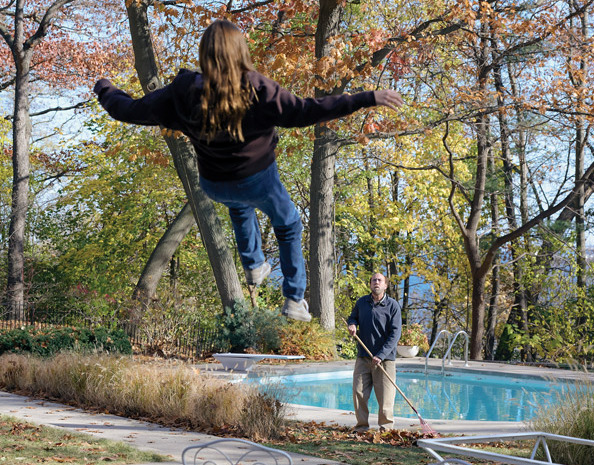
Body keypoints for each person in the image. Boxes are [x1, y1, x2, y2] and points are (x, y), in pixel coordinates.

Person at [93, 19, 403, 321]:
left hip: (214, 183)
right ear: (241, 51)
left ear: (205, 54)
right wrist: (367, 97)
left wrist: (106, 88)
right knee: (289, 224)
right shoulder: (256, 88)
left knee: (239, 207)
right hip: (258, 180)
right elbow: (307, 110)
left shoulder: (182, 92)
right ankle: (294, 299)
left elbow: (130, 110)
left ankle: (255, 265)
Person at [346, 273, 402, 431]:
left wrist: (381, 355)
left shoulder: (393, 306)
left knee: (385, 399)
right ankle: (361, 427)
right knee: (358, 393)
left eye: (379, 280)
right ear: (370, 284)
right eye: (373, 280)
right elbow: (353, 317)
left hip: (385, 360)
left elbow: (395, 334)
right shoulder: (362, 302)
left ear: (385, 285)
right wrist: (352, 324)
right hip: (363, 357)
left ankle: (386, 429)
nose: (376, 282)